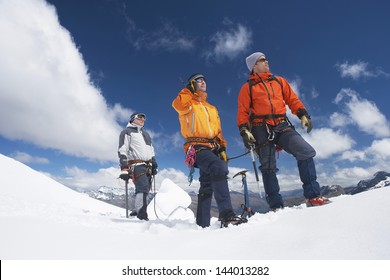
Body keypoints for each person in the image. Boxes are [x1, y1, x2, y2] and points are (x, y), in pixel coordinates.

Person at [237, 52, 330, 210]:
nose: (267, 62)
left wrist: (302, 114)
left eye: (266, 59)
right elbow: (243, 111)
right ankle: (276, 205)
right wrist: (244, 130)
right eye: (262, 60)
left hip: (281, 124)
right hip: (261, 127)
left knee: (305, 151)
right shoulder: (248, 88)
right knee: (268, 167)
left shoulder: (279, 81)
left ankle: (313, 196)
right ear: (254, 66)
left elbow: (292, 99)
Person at [172, 73, 247, 228]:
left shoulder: (211, 108)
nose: (204, 82)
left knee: (207, 185)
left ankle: (202, 224)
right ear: (192, 84)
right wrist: (187, 90)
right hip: (196, 147)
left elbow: (218, 131)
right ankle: (227, 215)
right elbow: (177, 105)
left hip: (214, 147)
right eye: (199, 80)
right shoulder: (187, 104)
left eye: (205, 80)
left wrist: (223, 148)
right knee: (218, 168)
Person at [118, 112, 158, 220]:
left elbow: (151, 150)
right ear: (132, 119)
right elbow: (122, 150)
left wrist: (154, 163)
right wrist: (124, 168)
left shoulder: (146, 134)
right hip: (136, 165)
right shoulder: (126, 132)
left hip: (148, 165)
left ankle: (136, 211)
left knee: (146, 188)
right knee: (142, 187)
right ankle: (142, 216)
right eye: (139, 118)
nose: (142, 120)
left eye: (144, 118)